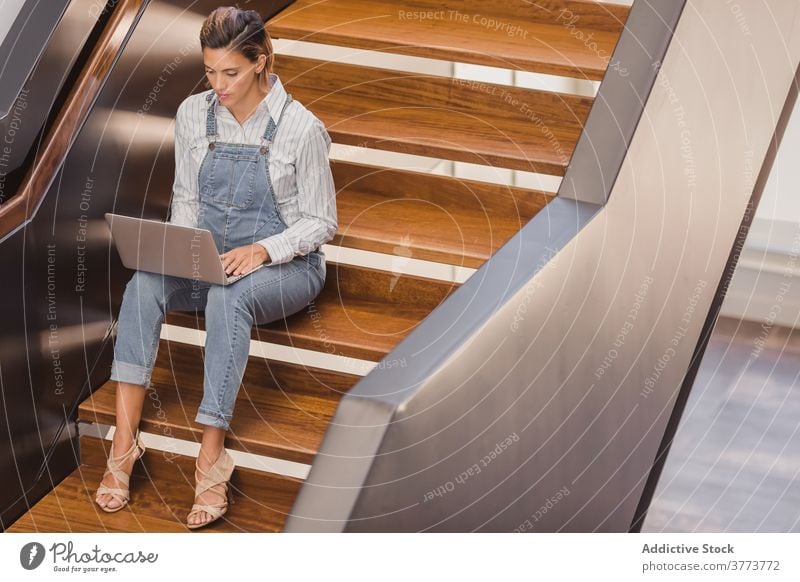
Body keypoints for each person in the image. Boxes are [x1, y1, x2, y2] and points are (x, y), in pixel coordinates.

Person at [95, 6, 337, 529]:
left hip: (286, 266)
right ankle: (123, 443)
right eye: (209, 71)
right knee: (143, 283)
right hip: (211, 256)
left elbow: (322, 222)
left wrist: (263, 250)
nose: (218, 84)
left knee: (231, 295)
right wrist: (180, 248)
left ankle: (211, 457)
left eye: (231, 72)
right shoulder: (192, 114)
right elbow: (186, 199)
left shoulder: (301, 128)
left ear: (261, 62)